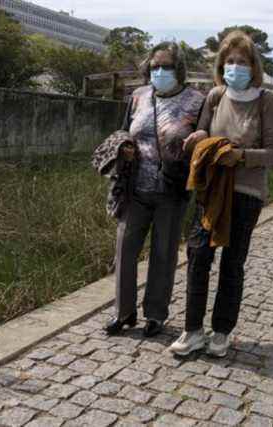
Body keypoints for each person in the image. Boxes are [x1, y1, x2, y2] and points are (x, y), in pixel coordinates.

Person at [168, 30, 273, 357]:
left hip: (246, 192)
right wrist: (197, 138)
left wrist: (242, 156)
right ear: (221, 65)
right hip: (211, 188)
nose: (235, 67)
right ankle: (192, 330)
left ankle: (222, 330)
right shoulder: (216, 96)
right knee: (198, 254)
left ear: (254, 66)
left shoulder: (266, 101)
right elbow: (204, 128)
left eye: (242, 62)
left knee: (233, 262)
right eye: (229, 61)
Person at [104, 42, 205, 337]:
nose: (159, 71)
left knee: (163, 253)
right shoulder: (138, 96)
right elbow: (124, 131)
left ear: (180, 69)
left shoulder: (196, 101)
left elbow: (202, 144)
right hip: (135, 187)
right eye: (155, 66)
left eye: (167, 66)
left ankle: (156, 315)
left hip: (171, 191)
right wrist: (123, 148)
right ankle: (123, 313)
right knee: (124, 249)